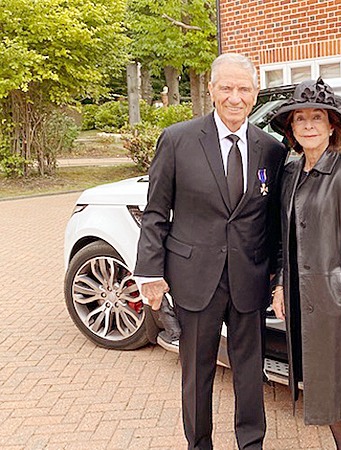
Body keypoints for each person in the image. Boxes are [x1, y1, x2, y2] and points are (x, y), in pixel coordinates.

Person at [134, 53, 287, 450]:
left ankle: (251, 443)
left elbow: (272, 224)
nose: (235, 97)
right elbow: (155, 211)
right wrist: (149, 273)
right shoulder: (178, 139)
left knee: (250, 373)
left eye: (244, 89)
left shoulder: (271, 149)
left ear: (255, 94)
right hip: (194, 279)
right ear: (212, 91)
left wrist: (278, 279)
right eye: (227, 88)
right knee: (197, 373)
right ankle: (198, 443)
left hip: (248, 279)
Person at [269, 78, 341, 450]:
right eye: (299, 118)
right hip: (304, 304)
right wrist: (281, 285)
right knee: (324, 389)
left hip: (340, 306)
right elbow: (285, 240)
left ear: (331, 125)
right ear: (291, 128)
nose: (307, 124)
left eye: (316, 117)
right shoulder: (289, 174)